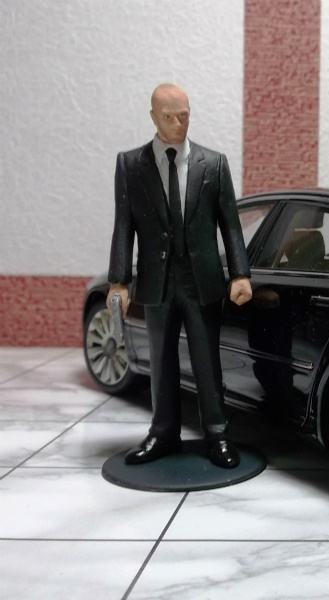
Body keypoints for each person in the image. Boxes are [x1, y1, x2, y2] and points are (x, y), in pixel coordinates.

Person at [107, 83, 252, 468]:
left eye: (183, 115)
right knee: (160, 359)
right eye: (168, 116)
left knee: (207, 358)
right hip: (157, 279)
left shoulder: (213, 163)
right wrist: (119, 281)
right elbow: (123, 226)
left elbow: (230, 223)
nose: (177, 123)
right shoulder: (130, 164)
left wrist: (240, 273)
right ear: (153, 117)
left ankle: (217, 433)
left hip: (201, 278)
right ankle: (163, 431)